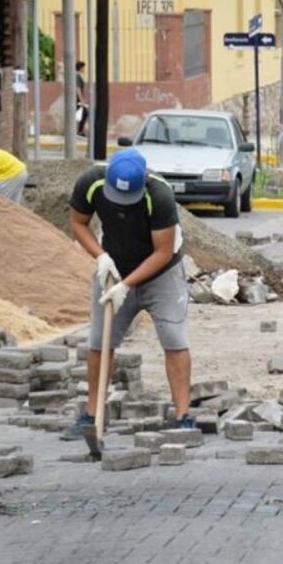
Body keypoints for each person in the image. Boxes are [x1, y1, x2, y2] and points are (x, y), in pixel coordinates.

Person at [61, 148, 194, 440]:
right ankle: (92, 415)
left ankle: (183, 417)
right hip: (114, 268)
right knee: (100, 341)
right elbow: (78, 223)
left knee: (174, 339)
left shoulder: (159, 196)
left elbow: (162, 252)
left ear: (144, 180)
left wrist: (126, 285)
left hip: (162, 273)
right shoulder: (91, 182)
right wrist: (101, 258)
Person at [76, 61, 88, 137]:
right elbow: (77, 89)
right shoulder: (77, 76)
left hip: (77, 100)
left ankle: (79, 131)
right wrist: (82, 101)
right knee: (85, 113)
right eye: (83, 68)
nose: (84, 69)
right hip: (77, 100)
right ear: (80, 68)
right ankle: (79, 131)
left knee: (82, 114)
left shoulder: (77, 76)